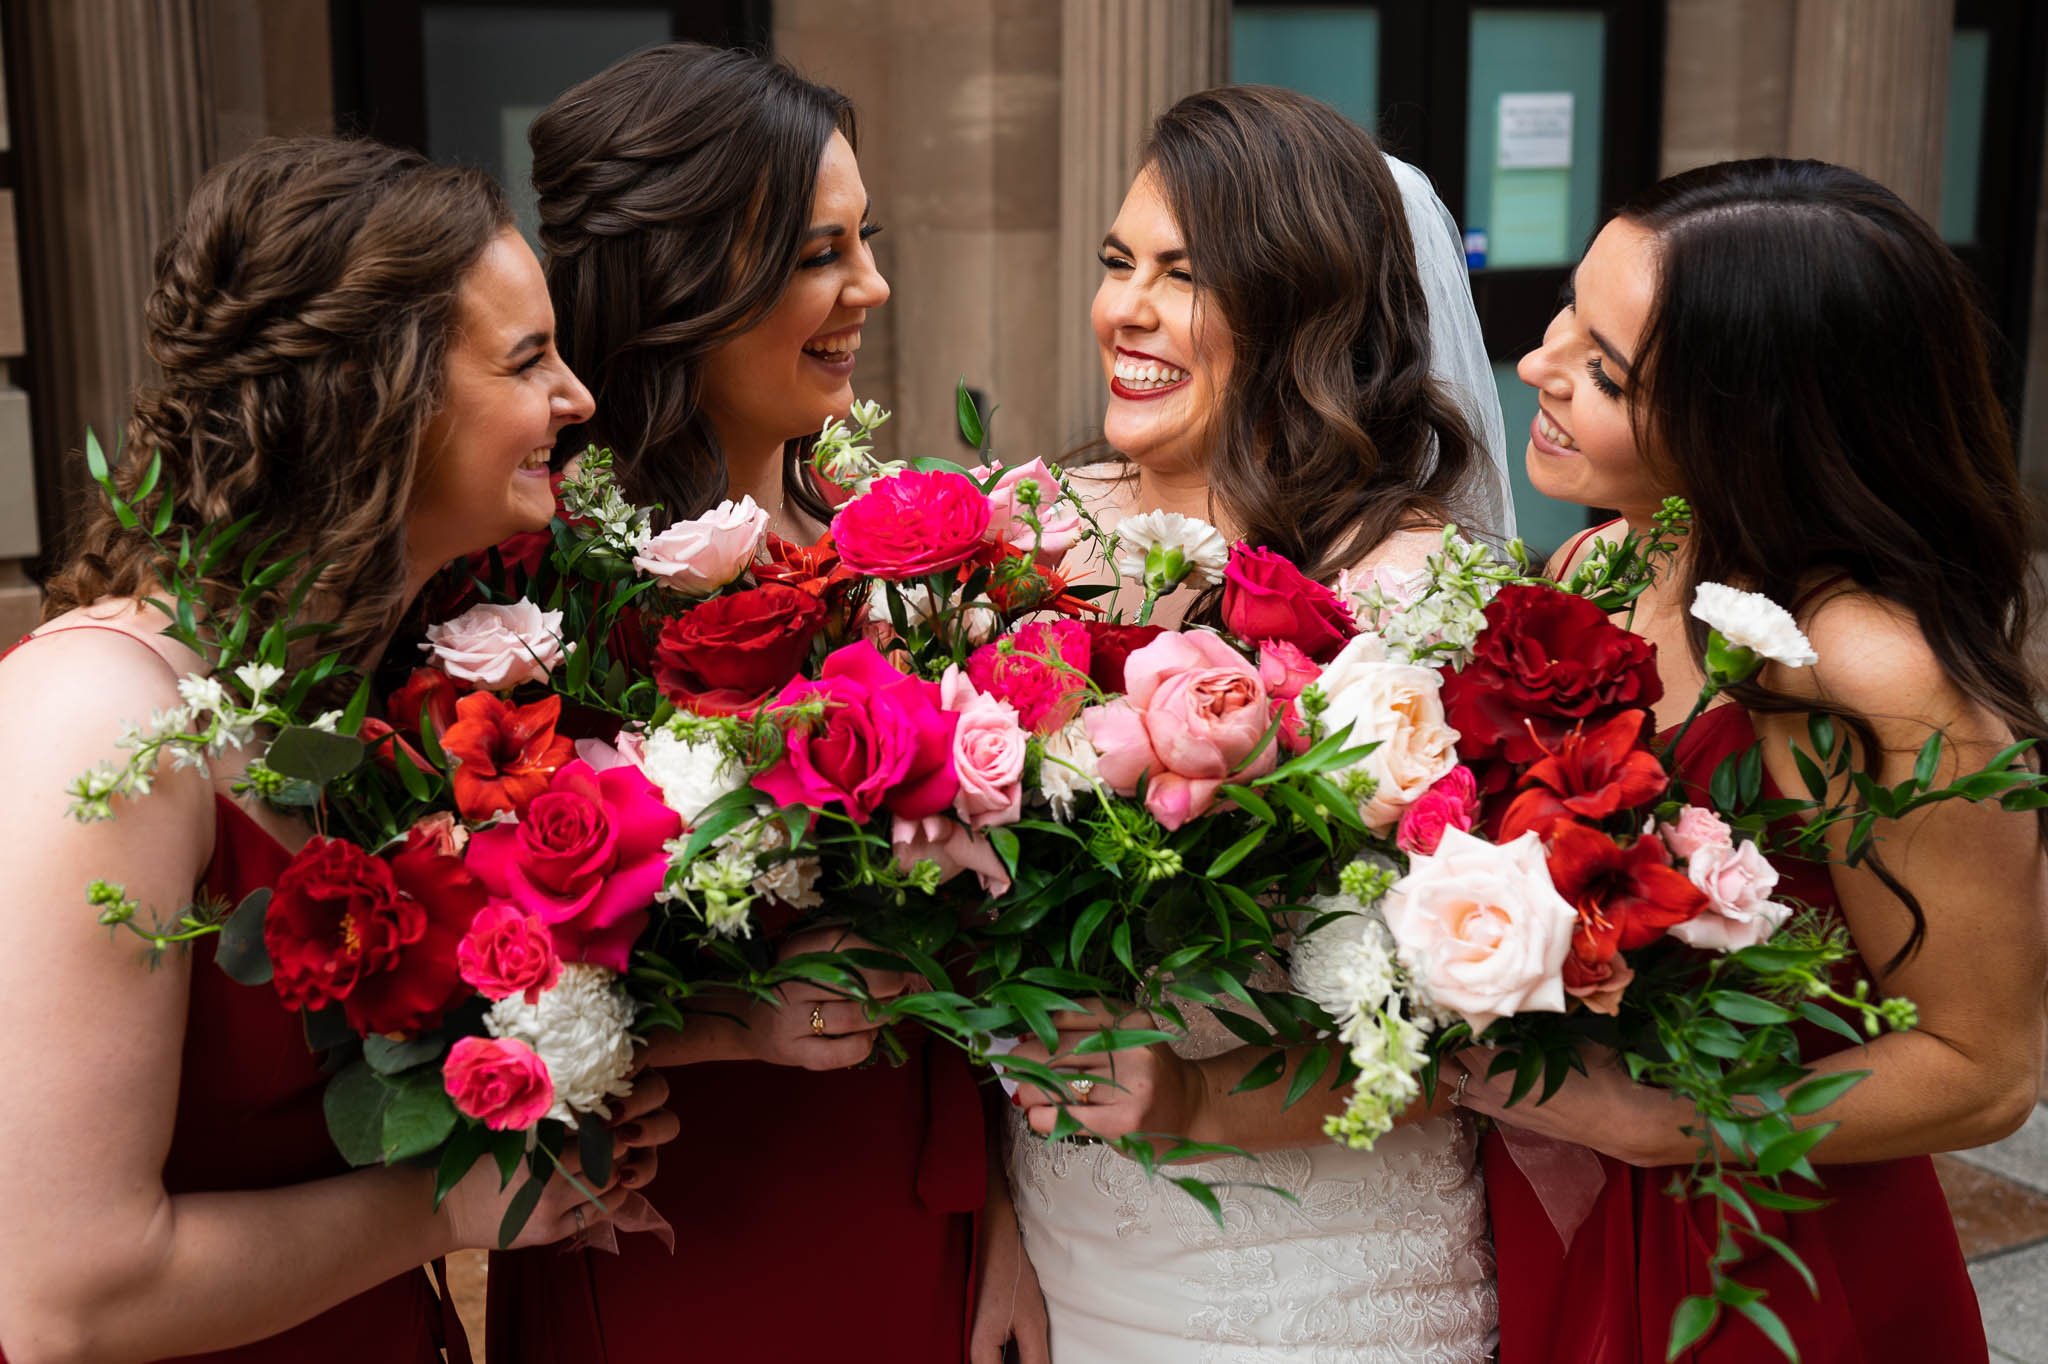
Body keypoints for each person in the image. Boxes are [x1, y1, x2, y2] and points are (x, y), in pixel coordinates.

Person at [0, 137, 675, 1364]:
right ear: (384, 400)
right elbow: (62, 1298)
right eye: (528, 360)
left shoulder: (350, 710)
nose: (576, 399)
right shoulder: (101, 719)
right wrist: (462, 1199)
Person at [1454, 157, 2047, 1362]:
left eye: (1604, 369)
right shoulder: (1596, 568)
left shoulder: (1868, 678)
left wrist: (1665, 1121)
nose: (1536, 365)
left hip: (1769, 1252)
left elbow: (1983, 1069)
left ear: (1753, 415)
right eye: (1568, 310)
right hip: (1566, 1199)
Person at [996, 85, 1514, 1364]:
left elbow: (1466, 1025)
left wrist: (1185, 1093)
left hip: (1325, 1268)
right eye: (1119, 263)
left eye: (1183, 275)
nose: (1125, 307)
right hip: (1062, 1235)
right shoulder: (1018, 531)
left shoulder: (1414, 589)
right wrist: (991, 1229)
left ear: (1295, 304)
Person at [485, 45, 984, 1364]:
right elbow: (472, 987)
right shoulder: (532, 617)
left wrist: (999, 1237)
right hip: (672, 1235)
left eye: (865, 242)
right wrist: (731, 1027)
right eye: (822, 254)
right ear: (686, 284)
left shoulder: (904, 564)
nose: (871, 287)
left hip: (912, 1208)